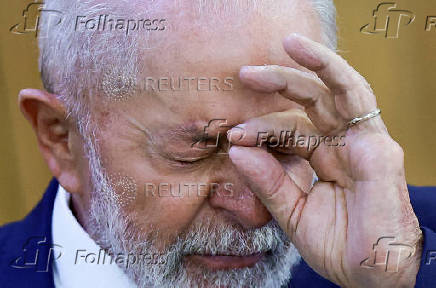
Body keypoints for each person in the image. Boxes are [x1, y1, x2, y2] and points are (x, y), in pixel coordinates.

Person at [1, 0, 435, 287]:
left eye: (284, 147)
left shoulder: (409, 250)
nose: (254, 209)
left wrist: (400, 274)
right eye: (196, 152)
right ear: (61, 138)